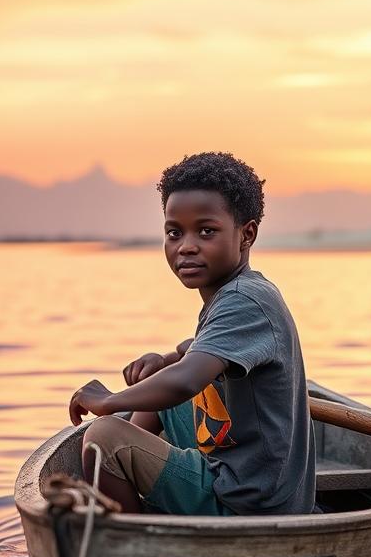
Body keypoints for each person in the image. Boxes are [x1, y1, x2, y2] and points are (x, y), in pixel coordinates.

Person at [68, 151, 315, 516]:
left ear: (247, 234)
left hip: (248, 502)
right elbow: (192, 355)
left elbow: (186, 380)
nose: (186, 246)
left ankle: (139, 541)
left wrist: (110, 401)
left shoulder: (244, 299)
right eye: (174, 232)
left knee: (103, 439)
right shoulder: (235, 292)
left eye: (206, 231)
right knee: (157, 381)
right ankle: (140, 485)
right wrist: (163, 361)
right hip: (242, 475)